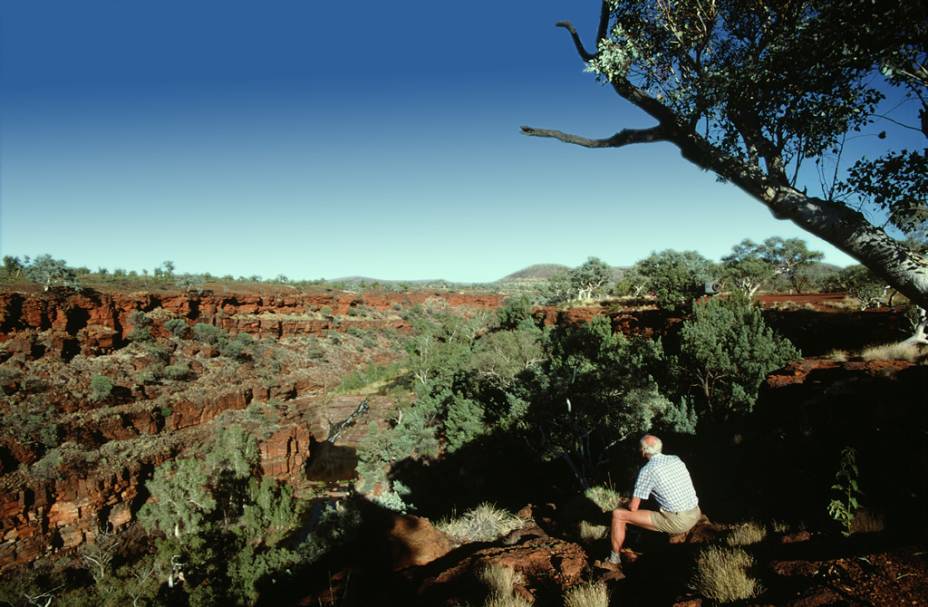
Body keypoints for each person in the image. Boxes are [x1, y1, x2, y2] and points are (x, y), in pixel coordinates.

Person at [605, 434, 701, 567]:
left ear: (643, 451)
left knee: (618, 515)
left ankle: (614, 560)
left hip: (680, 521)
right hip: (695, 513)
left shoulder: (647, 470)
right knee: (650, 504)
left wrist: (623, 503)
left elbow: (633, 507)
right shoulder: (675, 459)